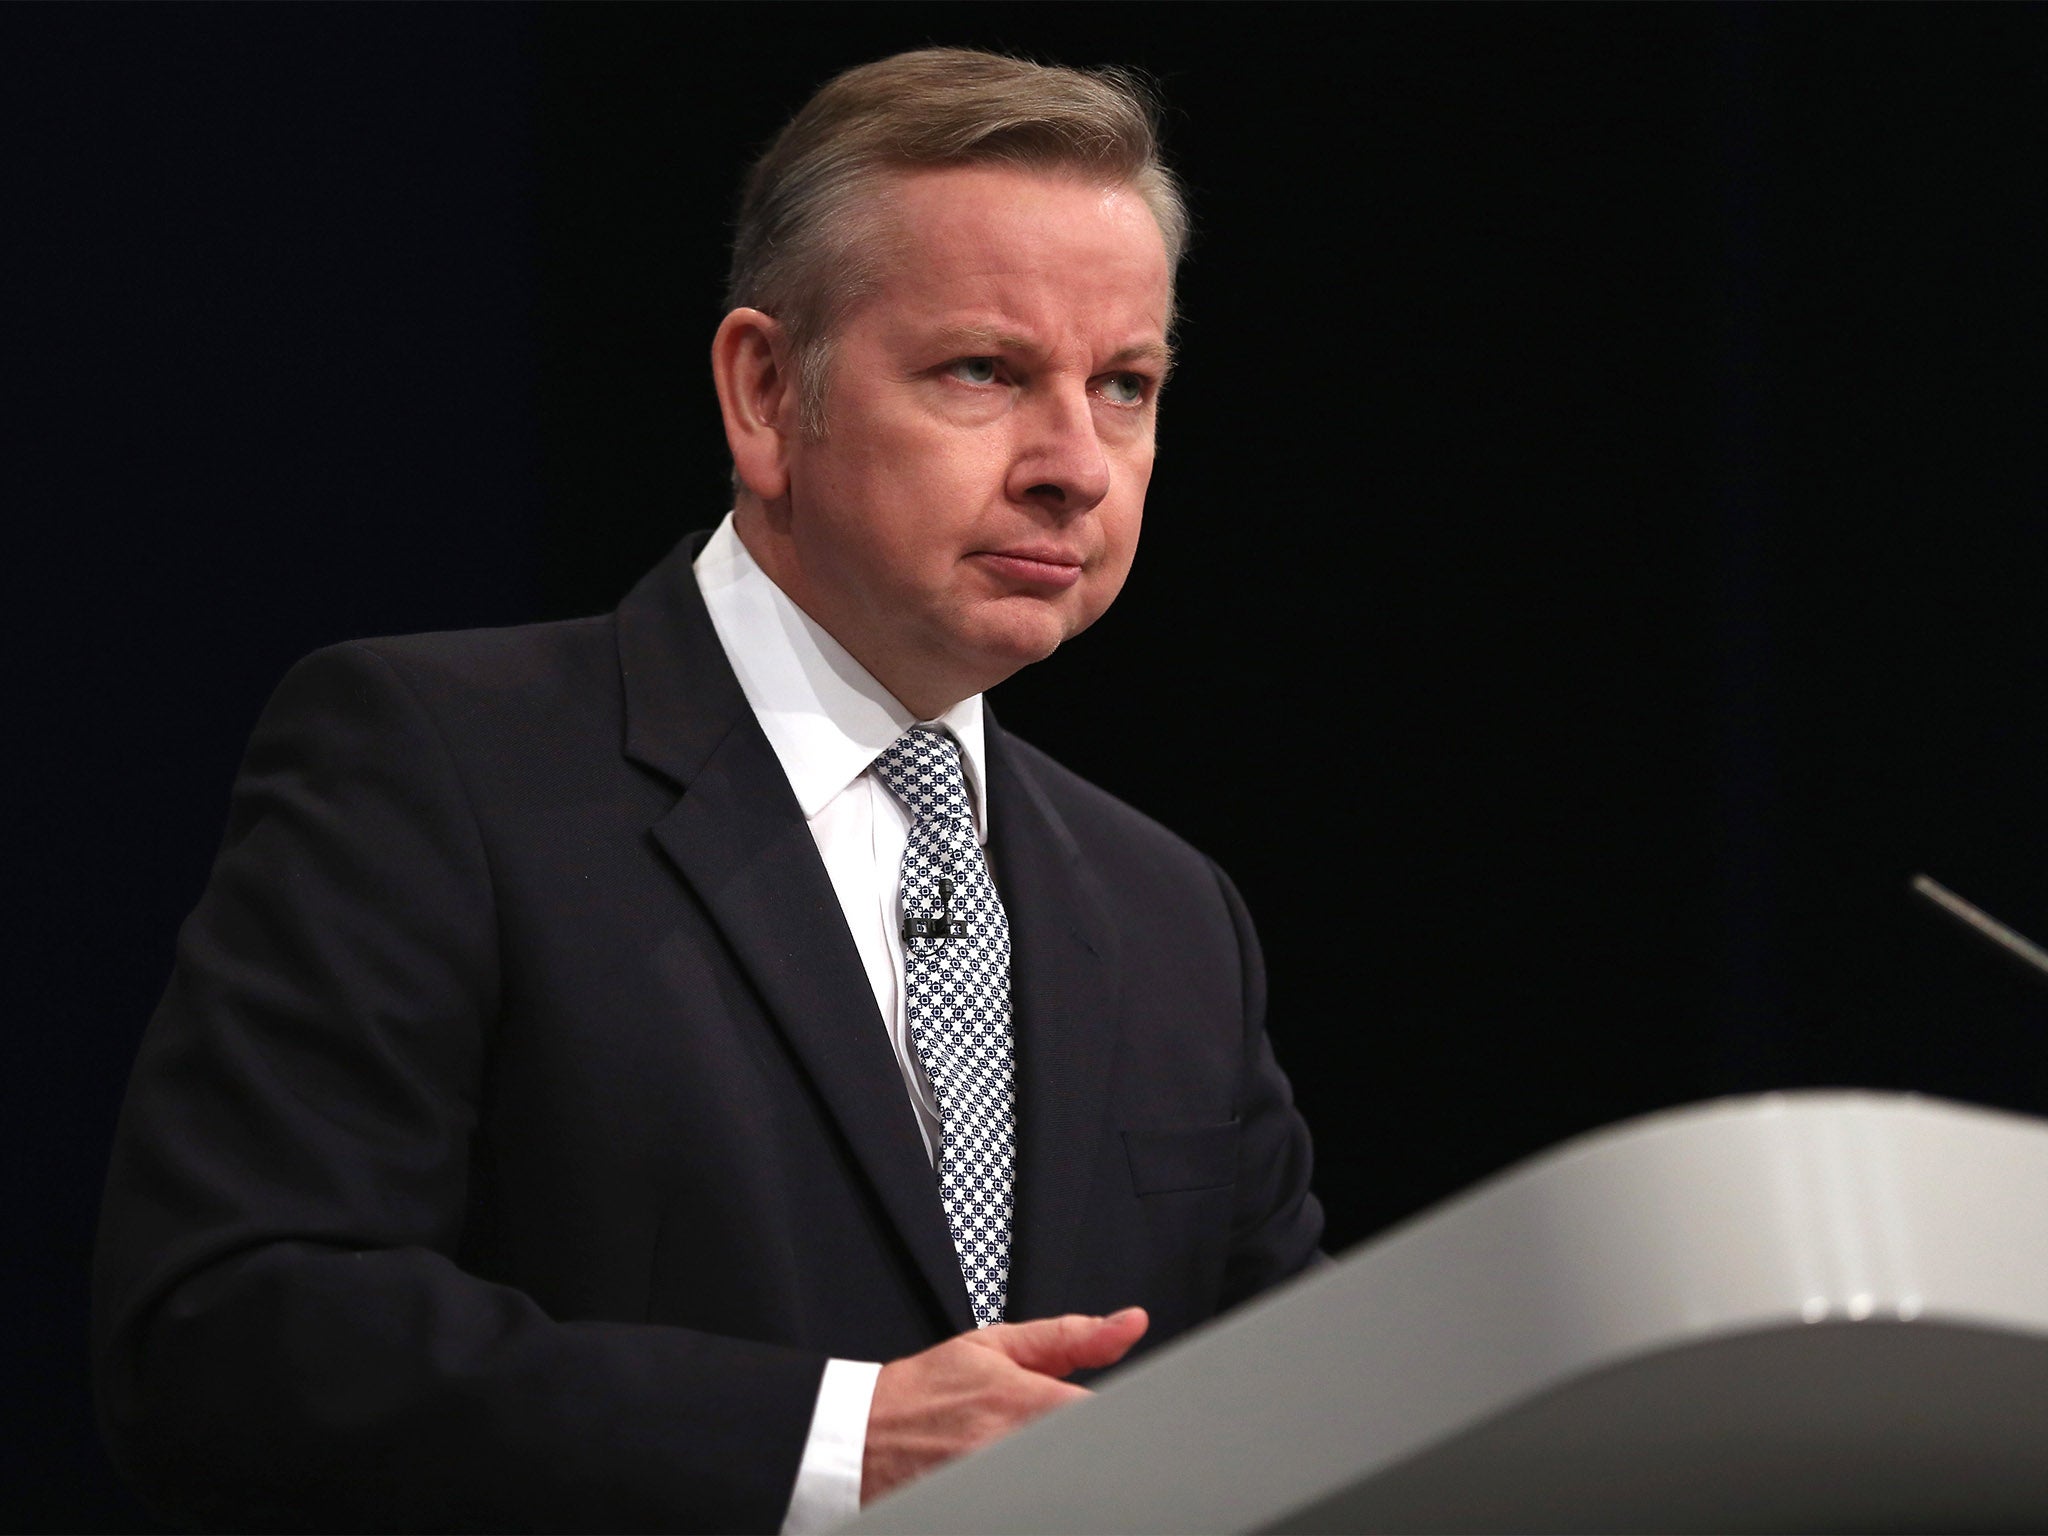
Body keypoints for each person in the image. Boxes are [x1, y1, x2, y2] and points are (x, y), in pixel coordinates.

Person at [93, 46, 1324, 1533]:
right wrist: (836, 1439)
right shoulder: (439, 762)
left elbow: (1307, 1407)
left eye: (1124, 385)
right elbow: (229, 1340)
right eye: (985, 371)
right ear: (762, 391)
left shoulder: (1170, 912)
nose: (1075, 463)